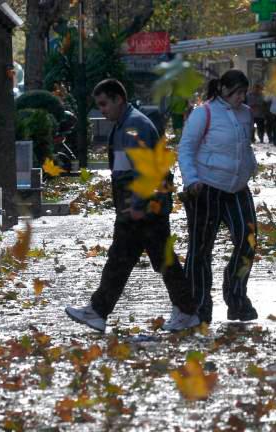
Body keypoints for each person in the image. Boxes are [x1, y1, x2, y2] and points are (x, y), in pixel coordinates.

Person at [65, 79, 196, 332]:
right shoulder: (126, 124)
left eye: (104, 104)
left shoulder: (133, 126)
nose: (102, 110)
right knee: (132, 260)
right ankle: (100, 311)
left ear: (118, 100)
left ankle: (186, 310)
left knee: (140, 261)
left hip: (143, 210)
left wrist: (137, 205)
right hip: (141, 208)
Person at [177, 69, 259, 323]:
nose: (241, 97)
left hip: (237, 189)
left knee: (248, 242)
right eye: (237, 92)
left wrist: (250, 167)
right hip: (206, 188)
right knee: (200, 249)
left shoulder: (246, 114)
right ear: (223, 89)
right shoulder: (204, 113)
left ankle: (237, 298)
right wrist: (191, 180)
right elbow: (186, 148)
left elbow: (245, 145)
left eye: (244, 92)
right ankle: (199, 306)